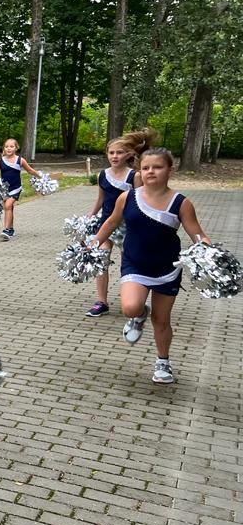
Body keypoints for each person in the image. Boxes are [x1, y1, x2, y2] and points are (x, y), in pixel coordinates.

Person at [92, 148, 210, 384]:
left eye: (157, 167)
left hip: (167, 268)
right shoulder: (128, 197)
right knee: (130, 307)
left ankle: (163, 362)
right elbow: (112, 222)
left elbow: (197, 233)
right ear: (140, 171)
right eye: (146, 168)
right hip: (134, 263)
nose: (151, 171)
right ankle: (138, 315)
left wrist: (207, 249)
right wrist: (92, 244)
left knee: (161, 320)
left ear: (169, 170)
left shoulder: (181, 203)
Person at [83, 130, 151, 318]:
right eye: (111, 152)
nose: (114, 156)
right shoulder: (102, 175)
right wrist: (91, 214)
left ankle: (131, 299)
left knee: (127, 264)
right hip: (106, 224)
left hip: (128, 227)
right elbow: (101, 198)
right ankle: (101, 301)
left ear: (129, 154)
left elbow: (141, 201)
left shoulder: (134, 176)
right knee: (100, 260)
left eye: (119, 152)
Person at [0, 138, 41, 240]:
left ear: (16, 148)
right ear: (4, 148)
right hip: (4, 189)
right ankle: (11, 229)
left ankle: (6, 230)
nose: (9, 148)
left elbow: (30, 170)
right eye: (6, 146)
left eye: (11, 146)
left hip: (16, 188)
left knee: (8, 206)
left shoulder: (20, 160)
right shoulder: (0, 161)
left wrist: (40, 176)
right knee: (9, 208)